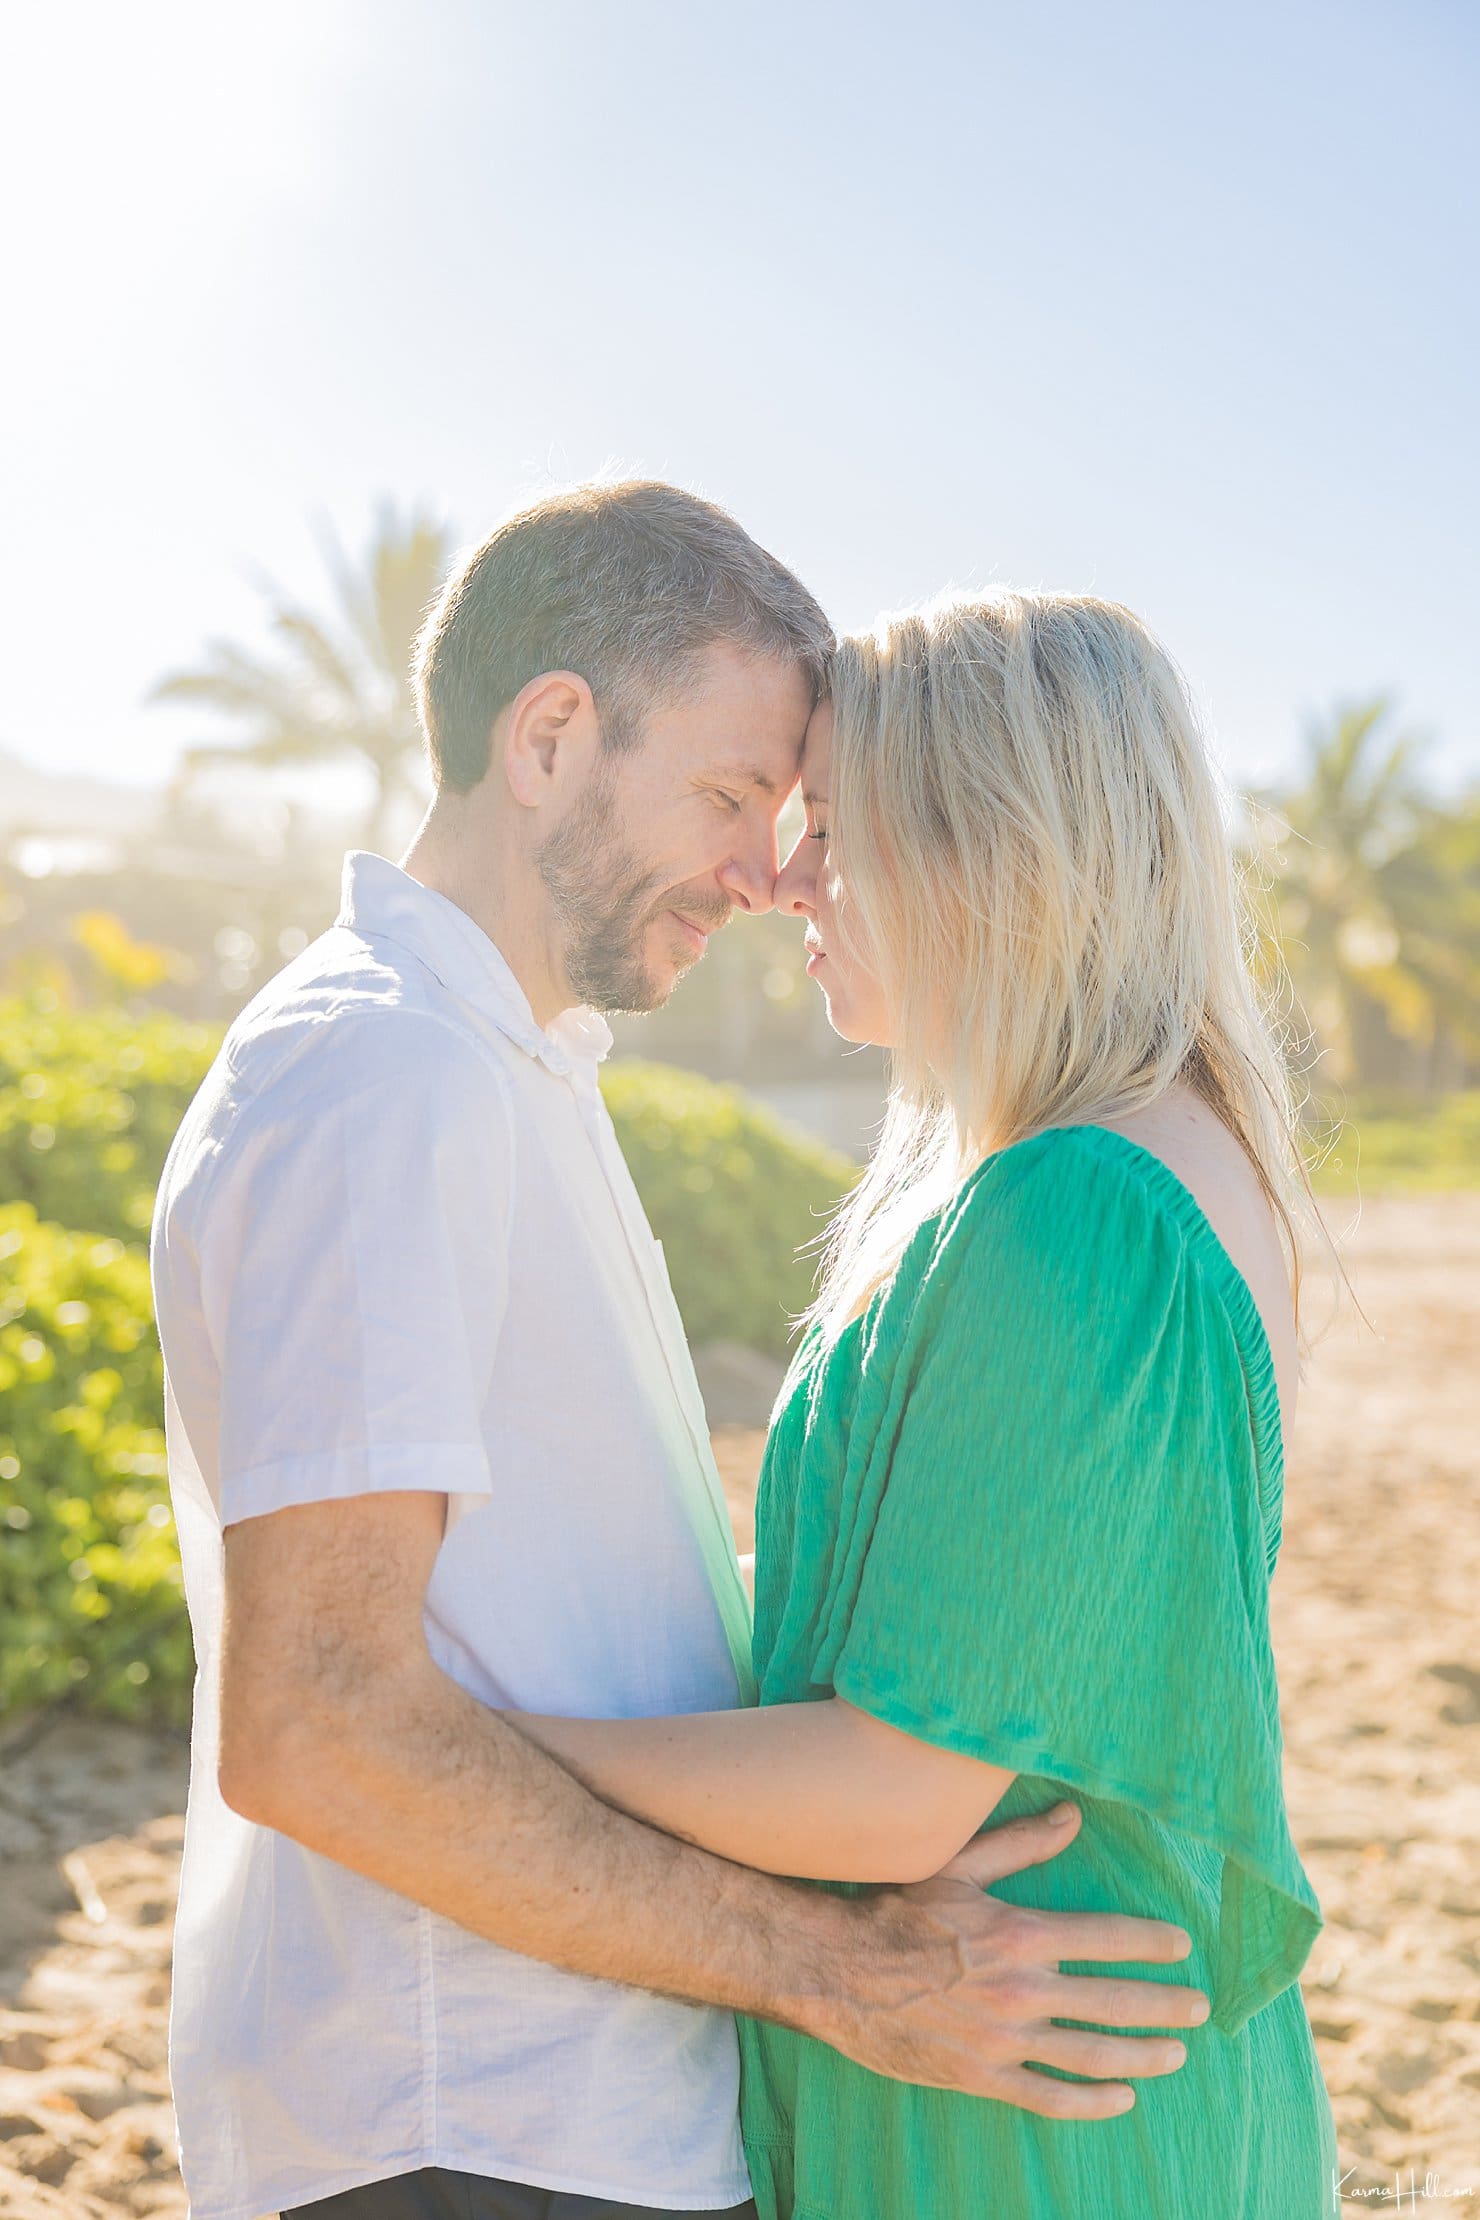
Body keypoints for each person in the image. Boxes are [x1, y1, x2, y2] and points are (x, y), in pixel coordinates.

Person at [149, 492, 1208, 2220]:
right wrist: (842, 1968)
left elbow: (541, 1599)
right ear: (553, 736)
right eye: (729, 796)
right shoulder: (382, 1077)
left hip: (556, 2112)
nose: (763, 870)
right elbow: (320, 1722)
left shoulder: (510, 1072)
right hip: (464, 2128)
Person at [507, 590, 1340, 2216]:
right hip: (1082, 2072)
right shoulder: (1180, 1157)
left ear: (996, 844)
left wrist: (499, 1747)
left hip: (1023, 2121)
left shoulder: (1077, 1208)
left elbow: (897, 1792)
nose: (782, 878)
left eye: (836, 826)